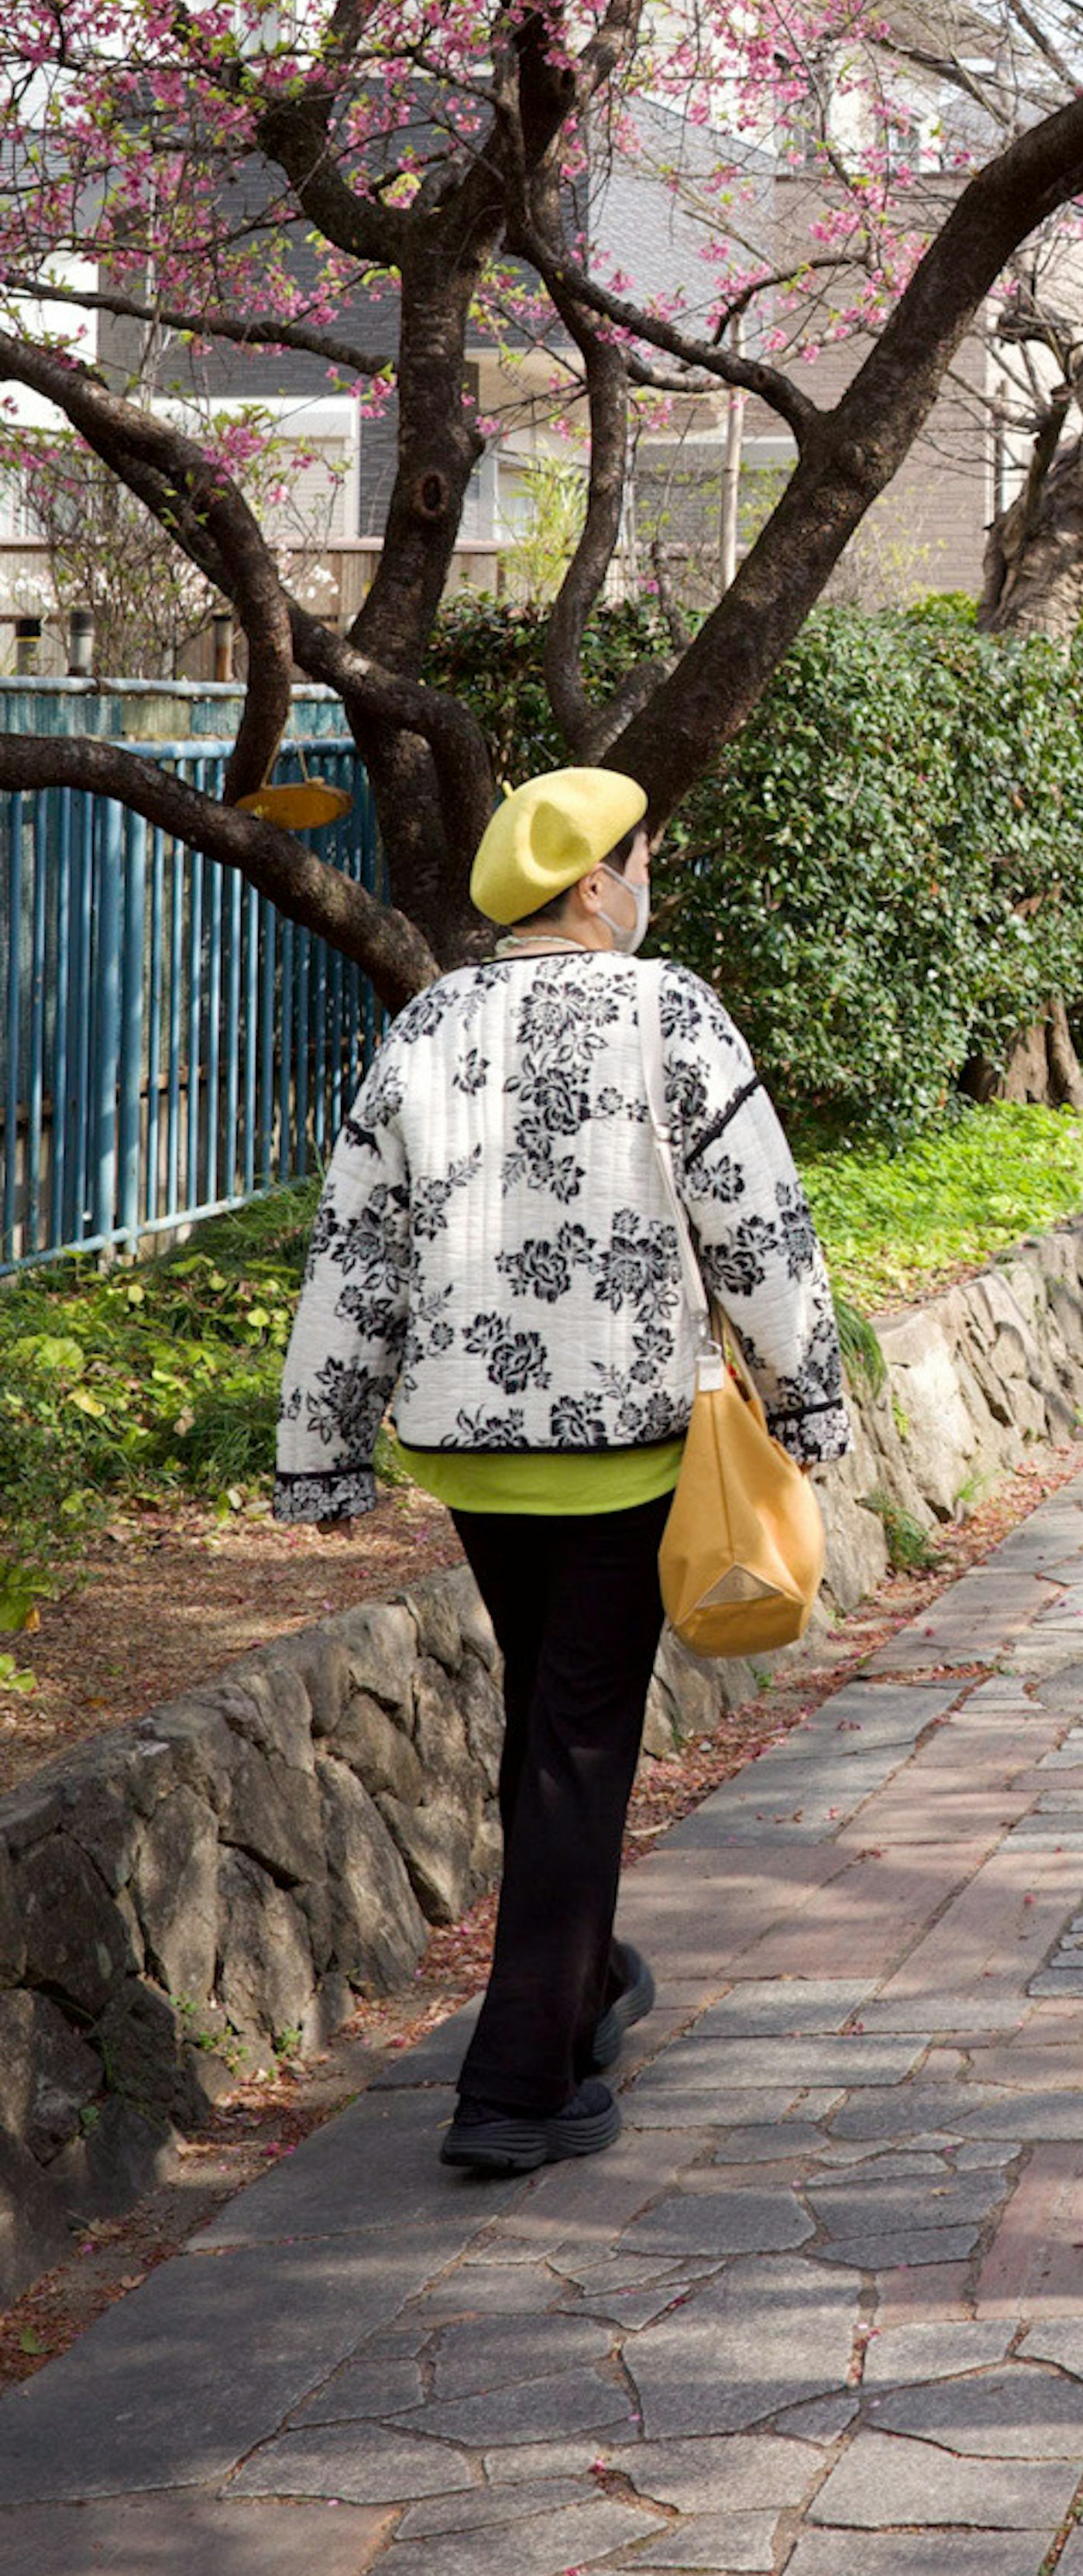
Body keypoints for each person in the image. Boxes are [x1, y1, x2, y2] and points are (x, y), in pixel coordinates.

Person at [273, 766, 847, 2179]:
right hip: (622, 1444)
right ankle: (517, 2080)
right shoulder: (668, 1011)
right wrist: (810, 1401)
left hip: (470, 1452)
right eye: (643, 859)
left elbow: (358, 1246)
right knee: (583, 1742)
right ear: (596, 882)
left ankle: (583, 1988)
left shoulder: (430, 1020)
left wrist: (323, 1444)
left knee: (552, 1717)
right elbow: (756, 1221)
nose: (650, 880)